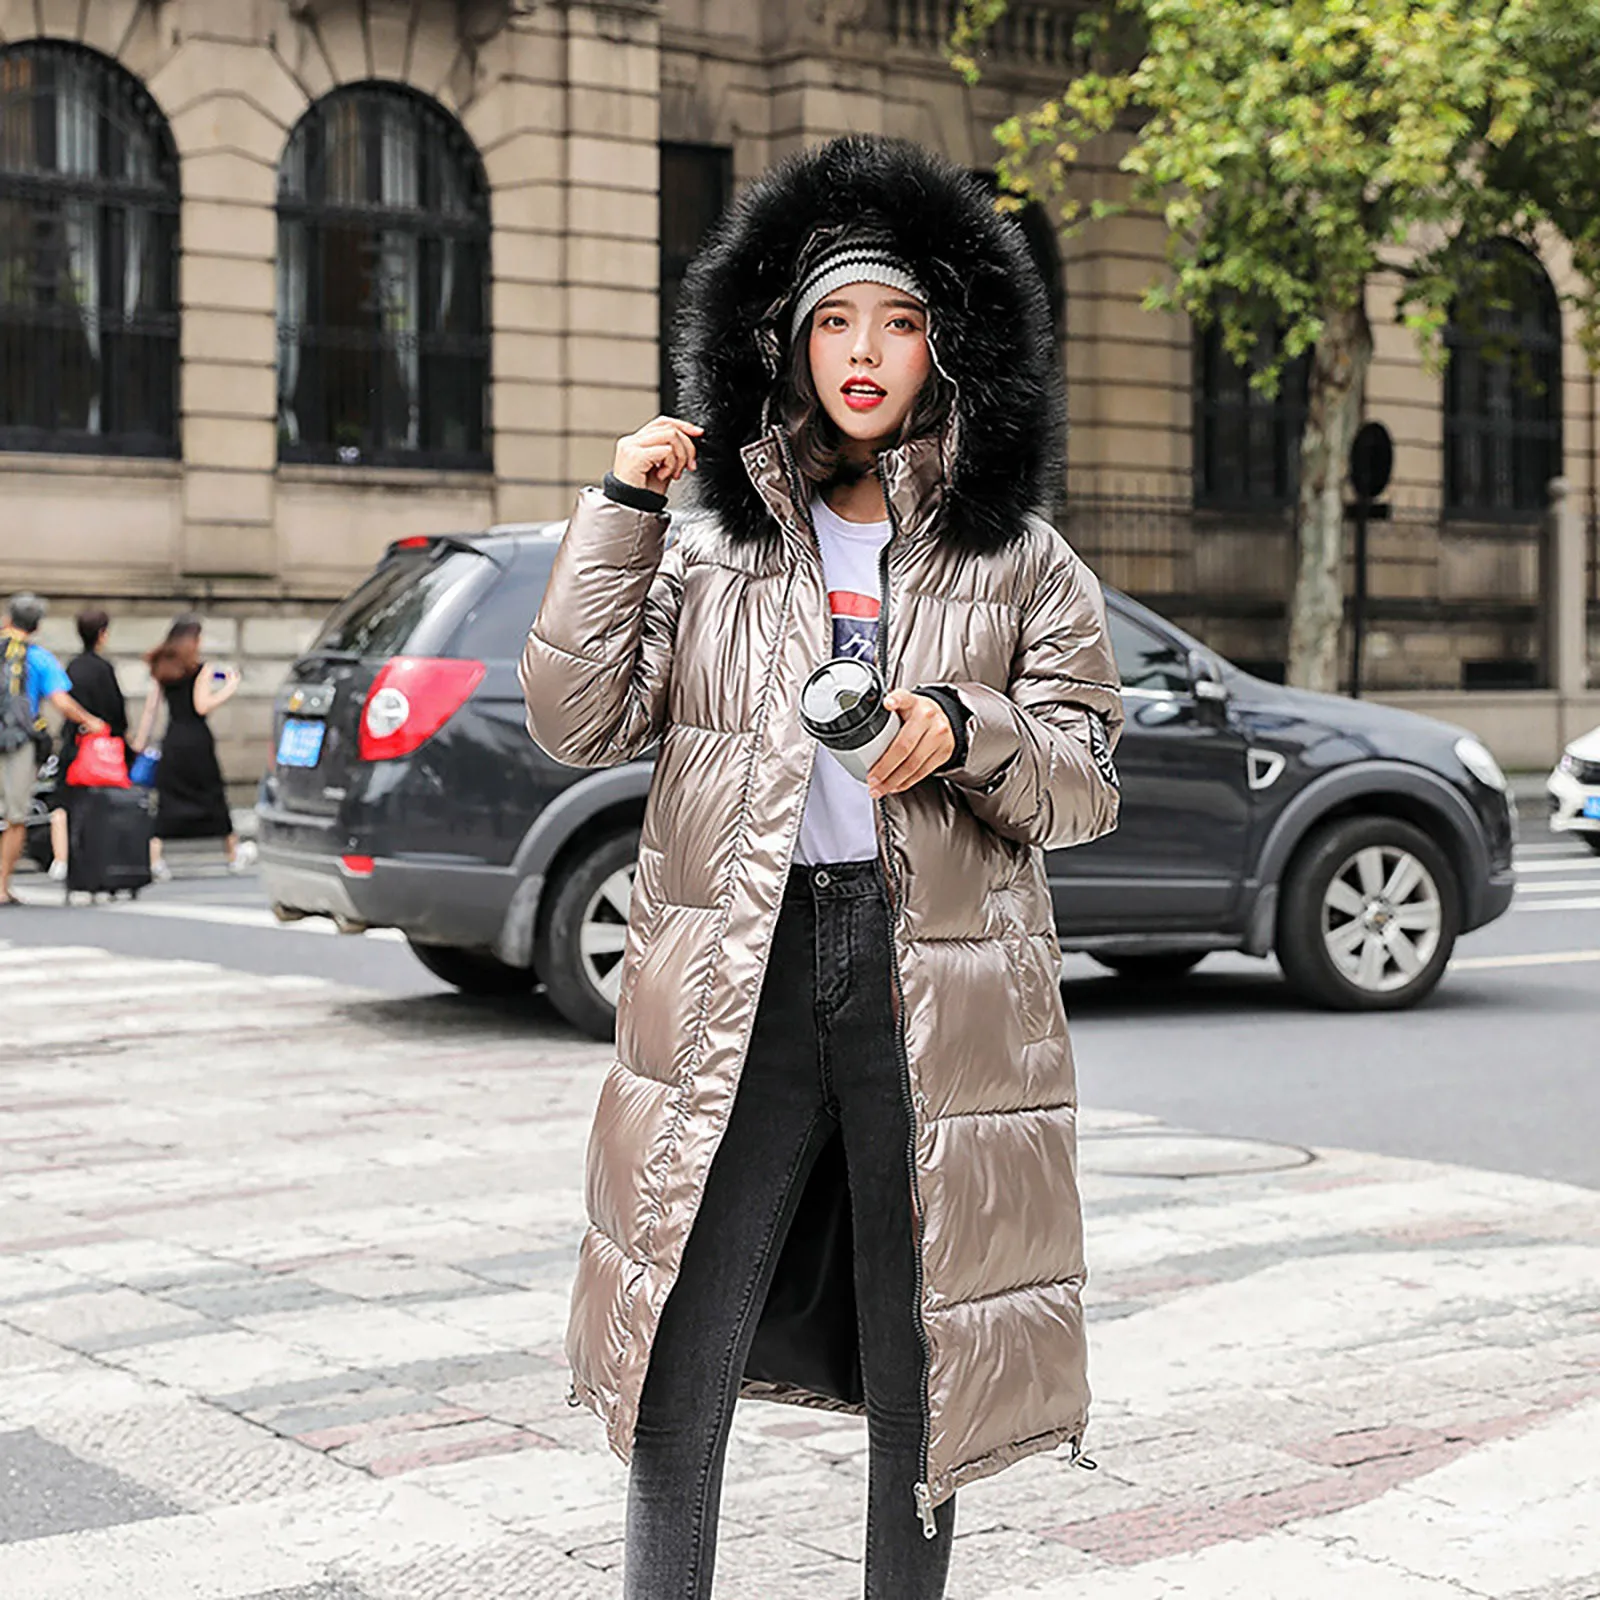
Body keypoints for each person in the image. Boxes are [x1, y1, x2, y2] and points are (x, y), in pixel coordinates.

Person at [521, 136, 1125, 1600]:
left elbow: (1087, 783)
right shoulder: (710, 547)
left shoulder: (1023, 562)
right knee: (680, 1341)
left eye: (900, 323)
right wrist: (621, 510)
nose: (864, 353)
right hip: (744, 967)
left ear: (949, 346)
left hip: (939, 988)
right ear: (784, 340)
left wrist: (964, 730)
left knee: (926, 1354)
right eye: (835, 321)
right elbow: (575, 719)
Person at [1, 593, 106, 905]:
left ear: (9, 618)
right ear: (36, 625)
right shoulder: (37, 657)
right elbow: (61, 700)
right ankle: (1, 885)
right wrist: (90, 720)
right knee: (15, 816)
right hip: (18, 743)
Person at [132, 616, 252, 877]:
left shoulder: (162, 668)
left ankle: (155, 859)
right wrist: (229, 688)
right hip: (197, 739)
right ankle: (233, 853)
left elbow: (151, 709)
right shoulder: (201, 670)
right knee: (212, 794)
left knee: (168, 798)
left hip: (173, 738)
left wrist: (140, 740)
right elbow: (202, 705)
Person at [48, 607, 131, 880]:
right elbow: (116, 711)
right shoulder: (103, 669)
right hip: (99, 748)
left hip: (73, 743)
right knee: (100, 803)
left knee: (63, 802)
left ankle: (61, 859)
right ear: (102, 634)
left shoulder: (72, 666)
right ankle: (99, 856)